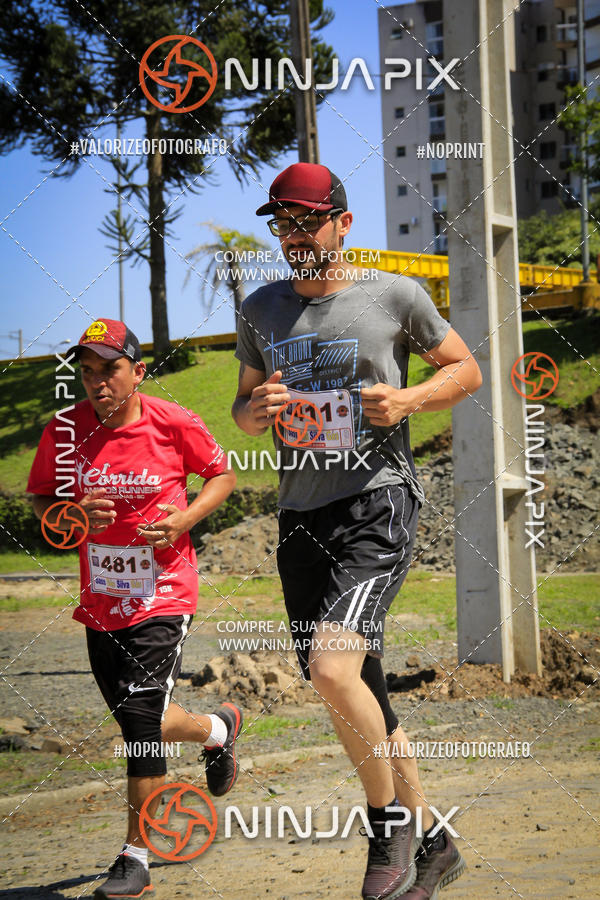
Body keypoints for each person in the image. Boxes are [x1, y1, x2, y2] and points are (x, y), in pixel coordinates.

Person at [231, 163, 482, 900]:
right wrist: (261, 410)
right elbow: (243, 409)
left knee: (332, 671)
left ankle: (388, 830)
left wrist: (407, 399)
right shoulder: (261, 309)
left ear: (343, 222)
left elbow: (464, 369)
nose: (294, 236)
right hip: (300, 515)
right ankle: (434, 844)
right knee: (361, 687)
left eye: (307, 221)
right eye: (282, 224)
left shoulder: (393, 296)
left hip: (376, 503)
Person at [28, 318, 242, 899]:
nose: (97, 382)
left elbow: (222, 474)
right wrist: (72, 512)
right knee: (137, 718)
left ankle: (135, 853)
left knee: (141, 720)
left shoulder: (172, 422)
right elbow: (42, 500)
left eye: (110, 369)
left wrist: (187, 518)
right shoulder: (65, 431)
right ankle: (217, 729)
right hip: (101, 600)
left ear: (137, 372)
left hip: (164, 592)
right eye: (88, 371)